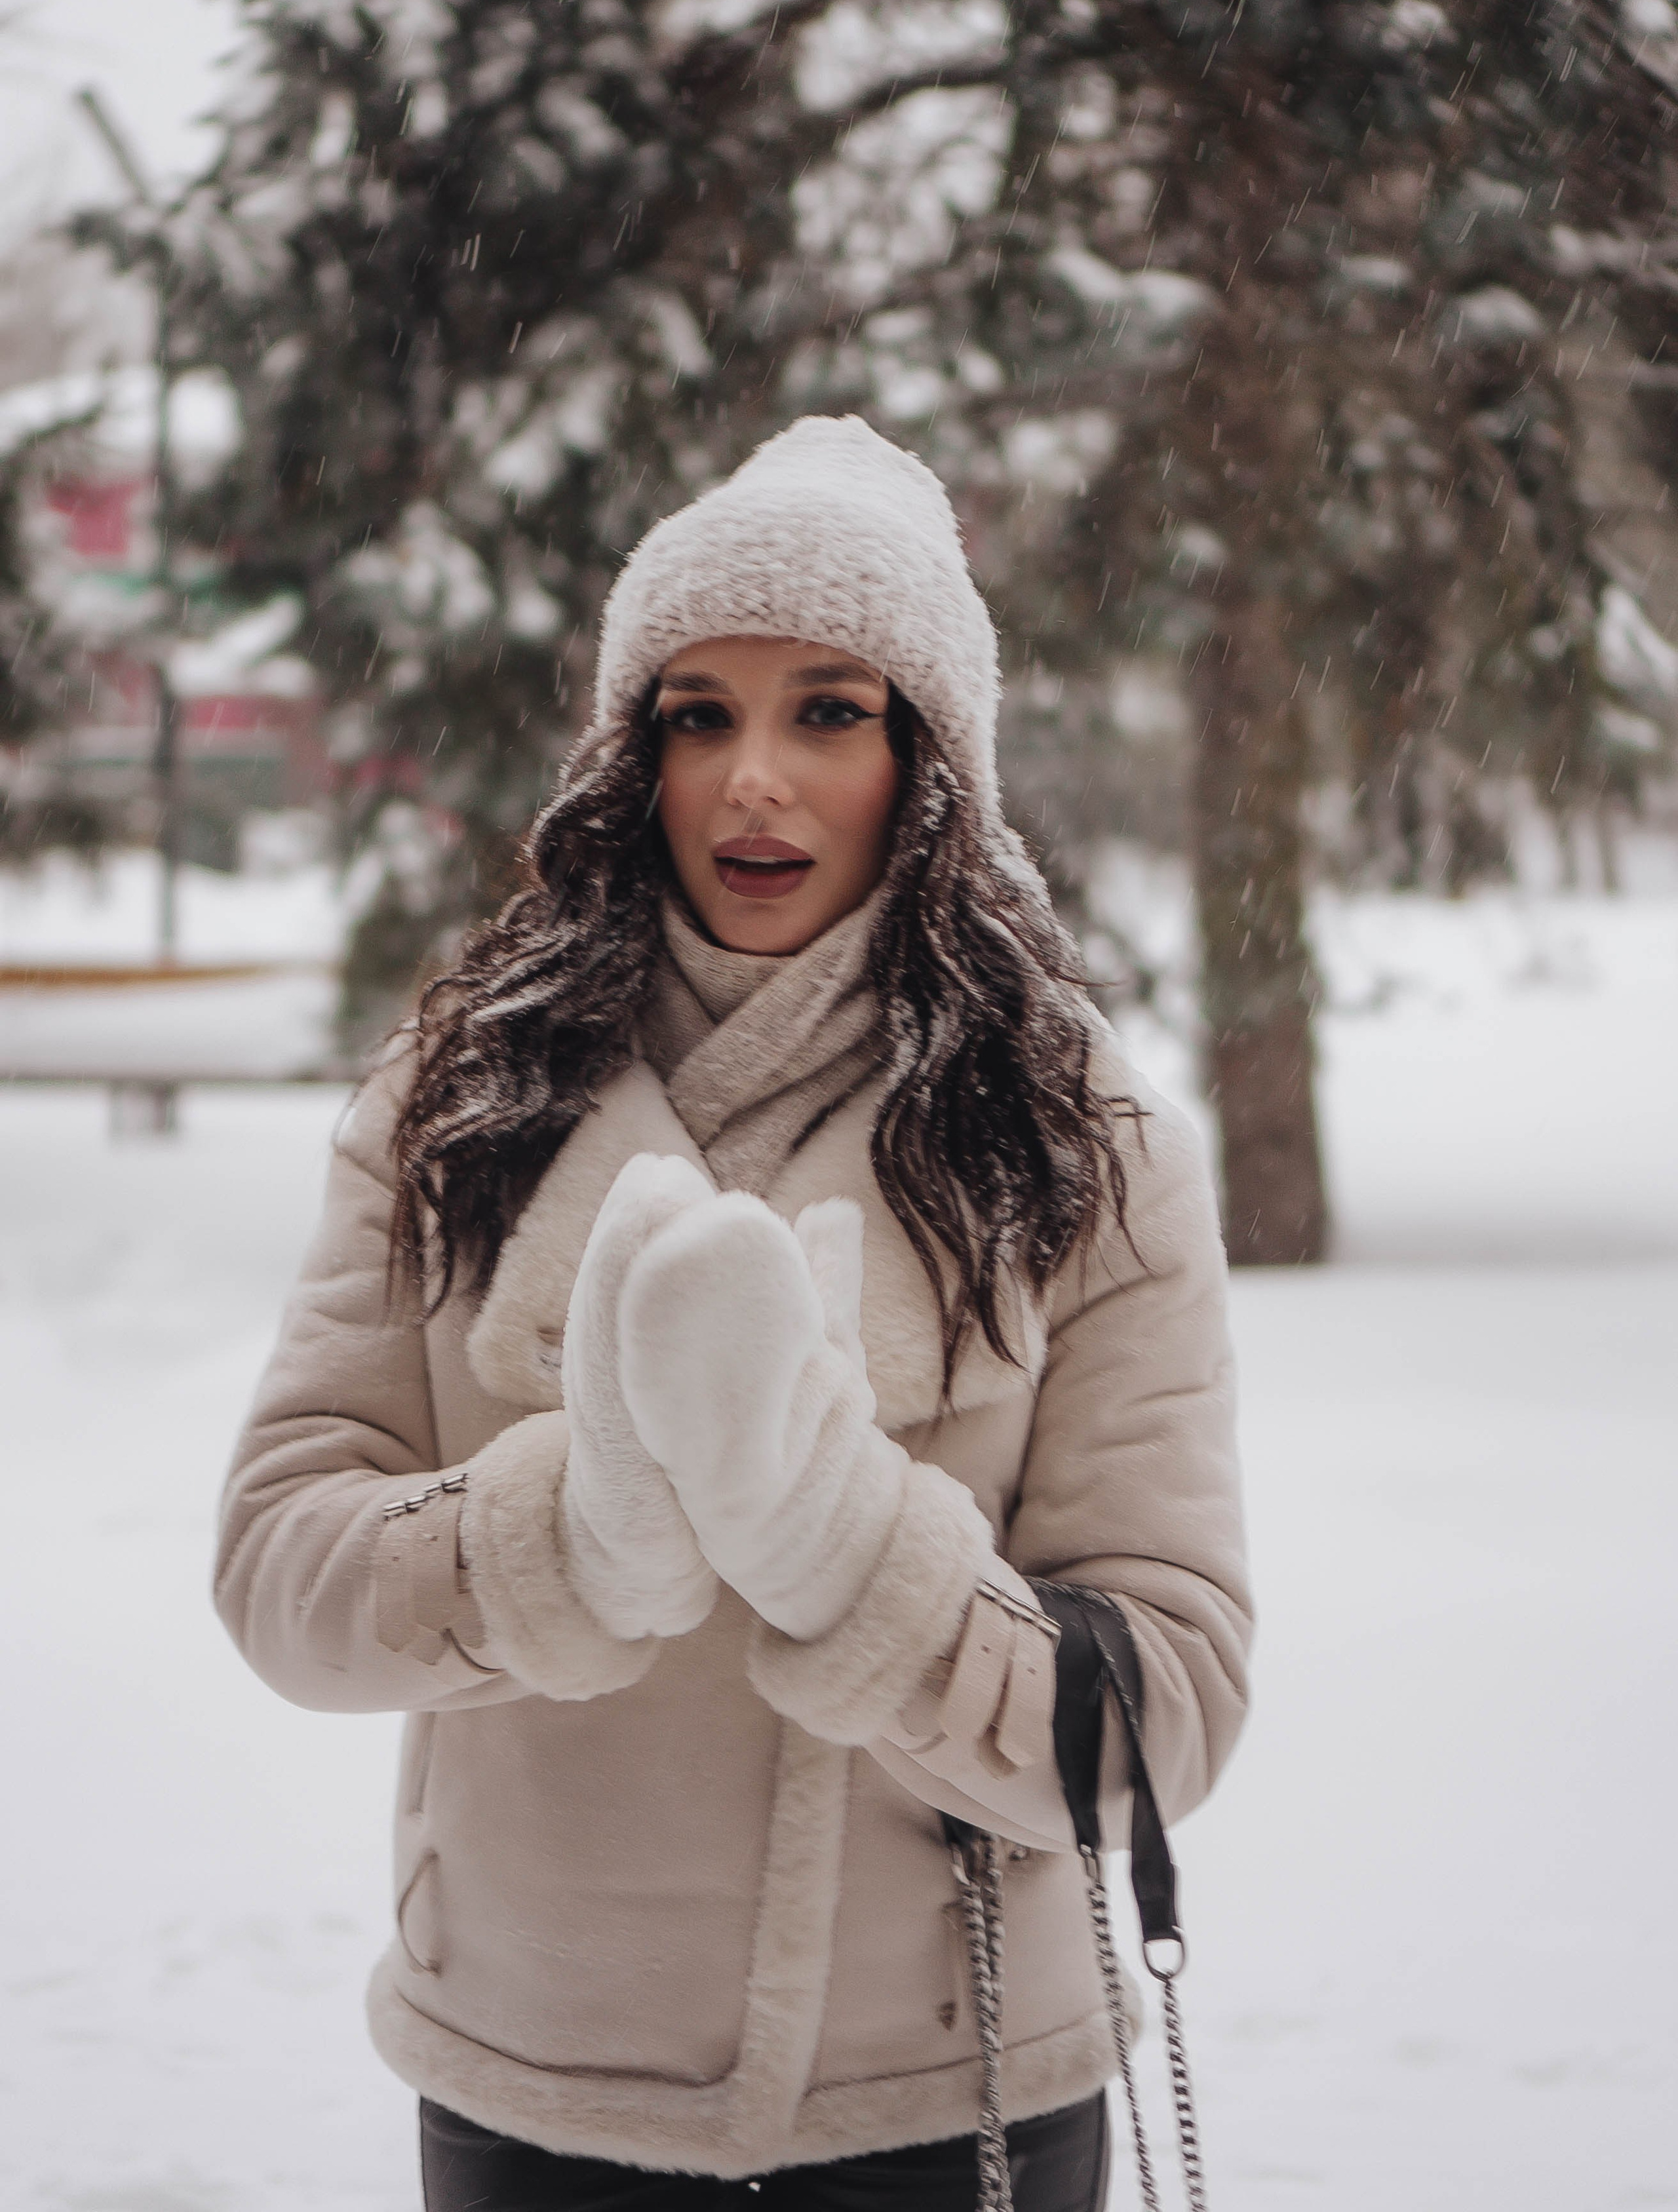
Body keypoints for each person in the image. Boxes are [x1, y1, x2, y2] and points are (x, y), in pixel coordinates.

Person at [215, 417, 1252, 2212]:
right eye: (700, 713)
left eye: (828, 711)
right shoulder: (459, 1101)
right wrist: (567, 1539)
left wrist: (854, 1554)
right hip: (537, 2085)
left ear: (928, 760)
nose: (751, 779)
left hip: (954, 2098)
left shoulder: (1078, 1144)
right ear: (634, 752)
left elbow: (1166, 1709)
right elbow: (280, 1574)